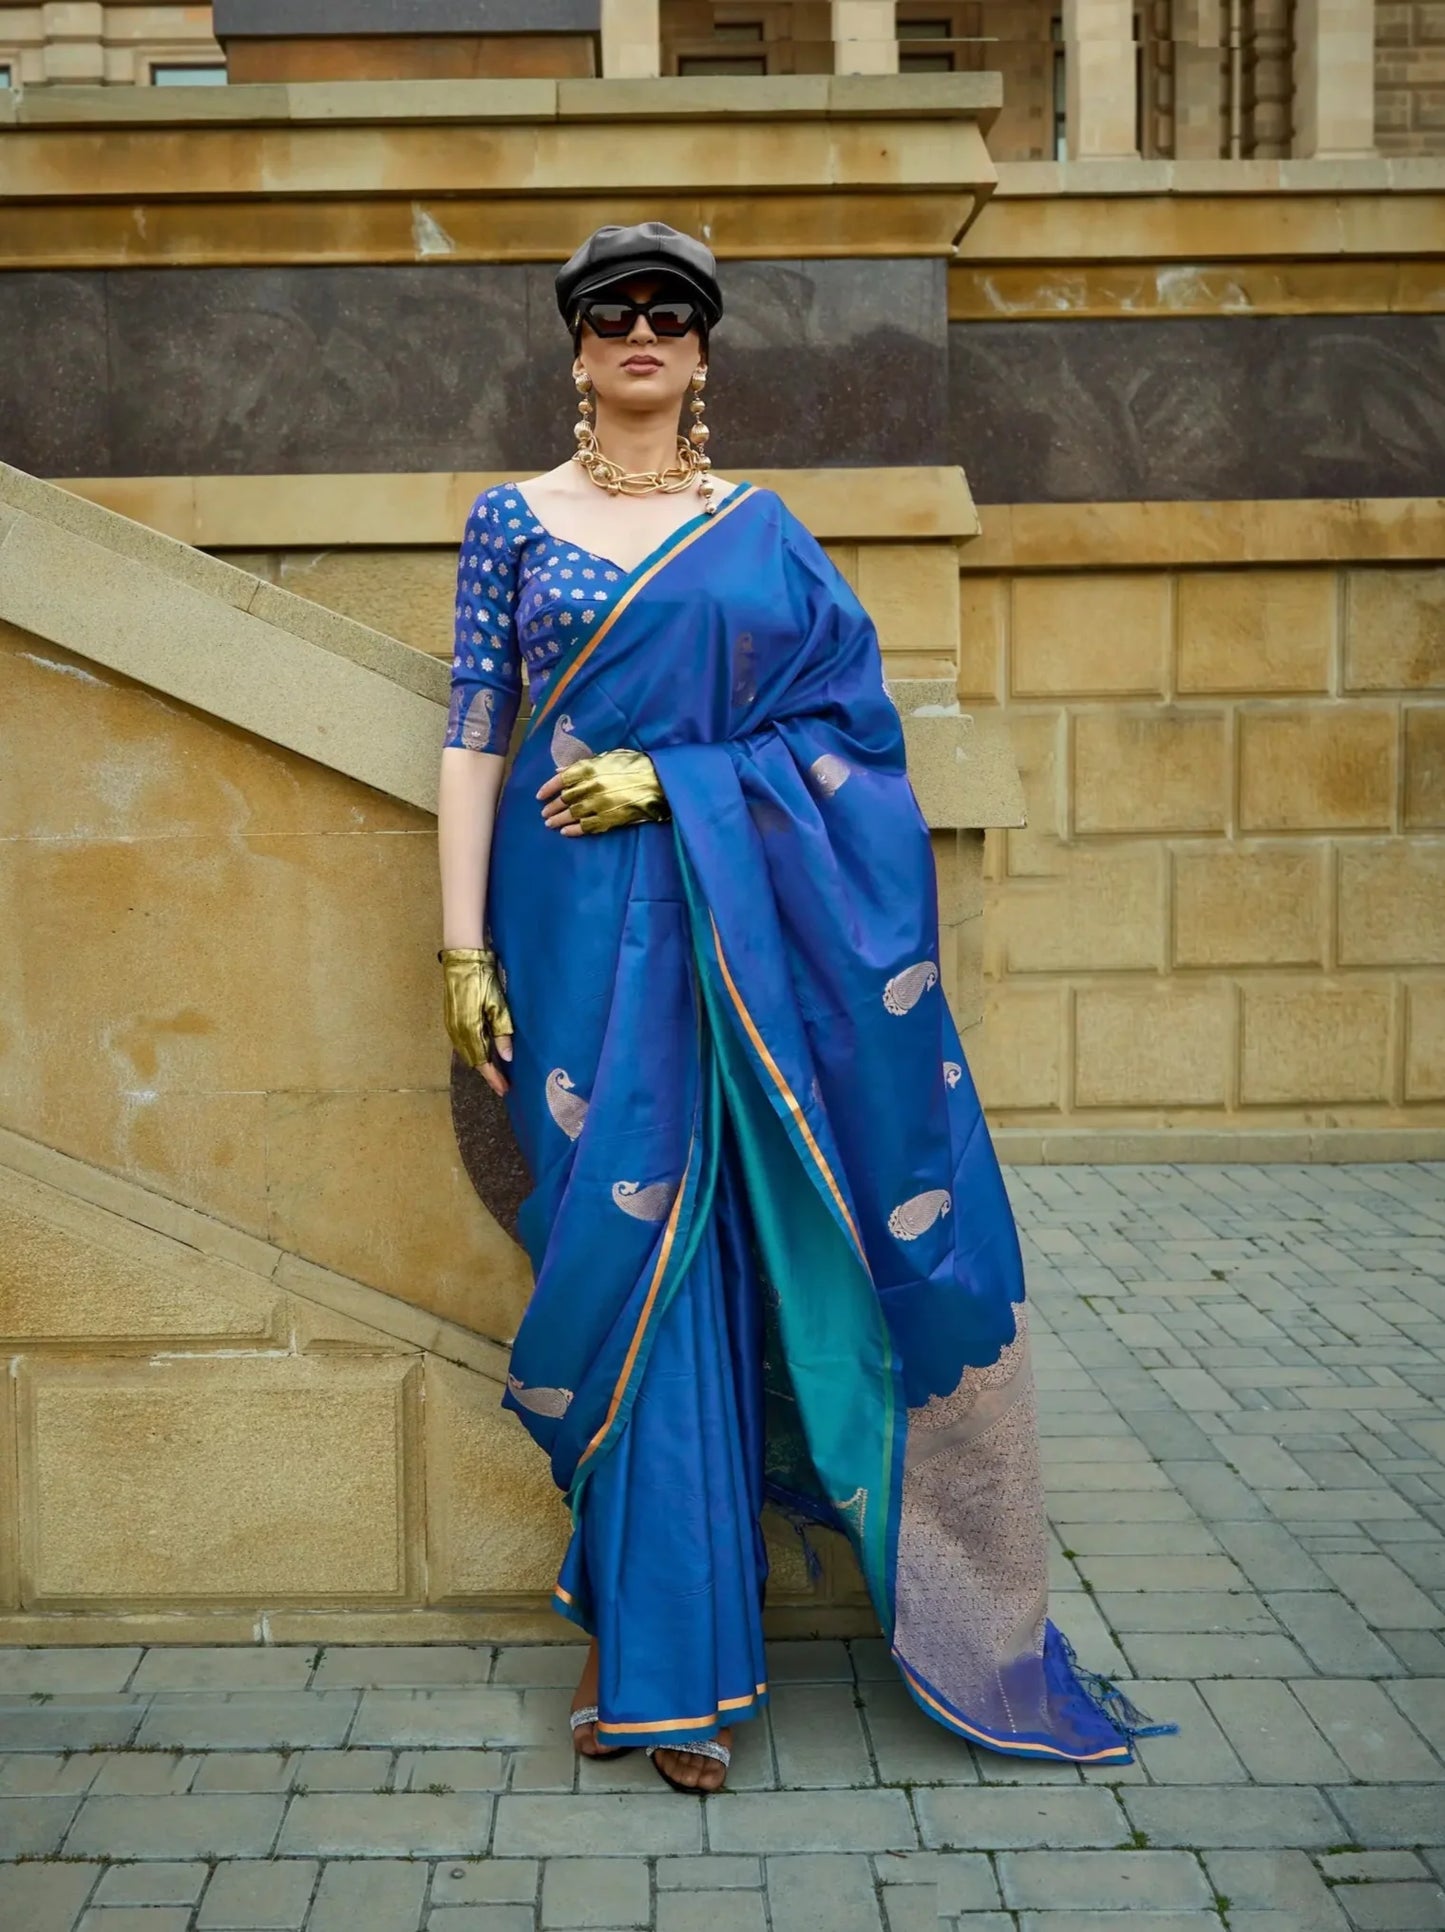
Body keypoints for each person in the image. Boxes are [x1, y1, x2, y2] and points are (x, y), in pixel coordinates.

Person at [435, 222, 1168, 1796]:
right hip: (565, 945)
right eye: (610, 312)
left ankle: (664, 1677)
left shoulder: (764, 536)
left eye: (670, 313)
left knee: (705, 1265)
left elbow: (857, 741)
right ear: (574, 348)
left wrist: (678, 781)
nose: (640, 330)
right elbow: (473, 740)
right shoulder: (509, 523)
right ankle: (634, 1633)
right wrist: (457, 950)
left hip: (741, 953)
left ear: (700, 355)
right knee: (613, 1268)